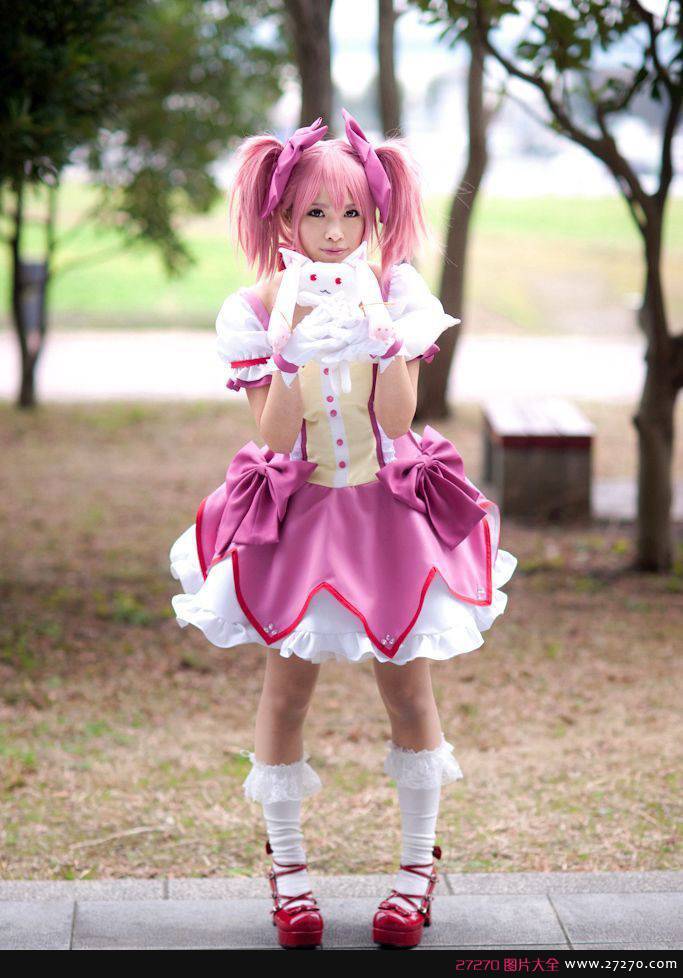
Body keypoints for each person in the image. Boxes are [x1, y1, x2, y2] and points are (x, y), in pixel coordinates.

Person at [169, 111, 517, 950]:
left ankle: (414, 874)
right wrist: (288, 354)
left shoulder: (397, 292)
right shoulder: (254, 307)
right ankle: (288, 875)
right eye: (315, 213)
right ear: (281, 217)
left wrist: (385, 342)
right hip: (300, 513)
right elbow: (272, 435)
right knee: (285, 693)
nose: (334, 231)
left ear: (375, 216)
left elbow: (397, 419)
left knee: (408, 691)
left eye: (352, 213)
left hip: (387, 510)